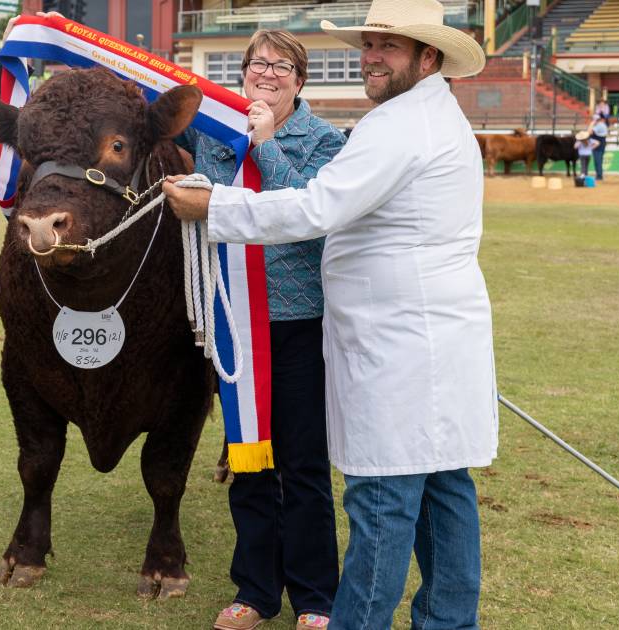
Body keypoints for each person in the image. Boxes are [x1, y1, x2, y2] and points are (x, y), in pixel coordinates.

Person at [162, 1, 497, 628]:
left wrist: (215, 207)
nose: (371, 56)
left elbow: (317, 208)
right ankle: (449, 620)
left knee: (383, 499)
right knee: (443, 493)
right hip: (417, 334)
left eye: (388, 47)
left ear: (428, 57)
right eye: (368, 43)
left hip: (399, 341)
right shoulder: (420, 116)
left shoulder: (401, 127)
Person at [175, 29, 344, 630]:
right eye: (256, 64)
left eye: (281, 66)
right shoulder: (212, 131)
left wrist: (266, 142)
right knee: (248, 462)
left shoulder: (327, 140)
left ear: (300, 80)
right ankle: (254, 592)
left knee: (302, 464)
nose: (266, 74)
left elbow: (308, 213)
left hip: (298, 323)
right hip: (234, 326)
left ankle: (316, 598)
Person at [589, 115, 609, 180]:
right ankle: (599, 175)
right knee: (598, 161)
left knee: (598, 161)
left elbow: (589, 132)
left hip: (598, 146)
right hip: (600, 145)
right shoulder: (601, 125)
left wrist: (591, 124)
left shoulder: (600, 125)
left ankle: (599, 176)